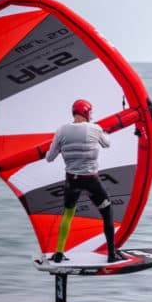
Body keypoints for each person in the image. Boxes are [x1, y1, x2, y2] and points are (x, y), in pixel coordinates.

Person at [44, 99, 125, 263]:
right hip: (91, 181)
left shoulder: (61, 131)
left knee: (68, 214)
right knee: (107, 212)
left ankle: (59, 253)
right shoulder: (94, 128)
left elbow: (49, 158)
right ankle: (111, 253)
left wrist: (63, 147)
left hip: (71, 182)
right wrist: (102, 132)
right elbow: (107, 144)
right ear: (87, 113)